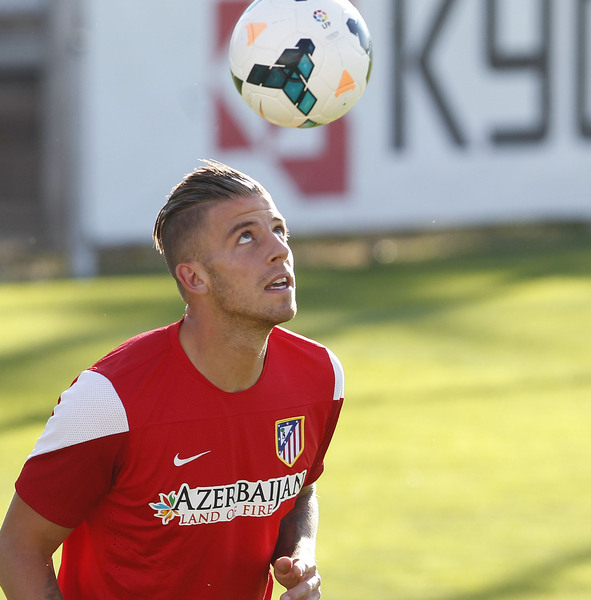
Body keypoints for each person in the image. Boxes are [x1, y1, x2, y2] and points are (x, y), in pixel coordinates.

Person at [0, 160, 344, 600]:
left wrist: (301, 555)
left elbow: (298, 488)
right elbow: (19, 549)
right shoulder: (109, 400)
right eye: (246, 237)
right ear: (194, 277)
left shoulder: (320, 376)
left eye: (279, 230)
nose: (278, 250)